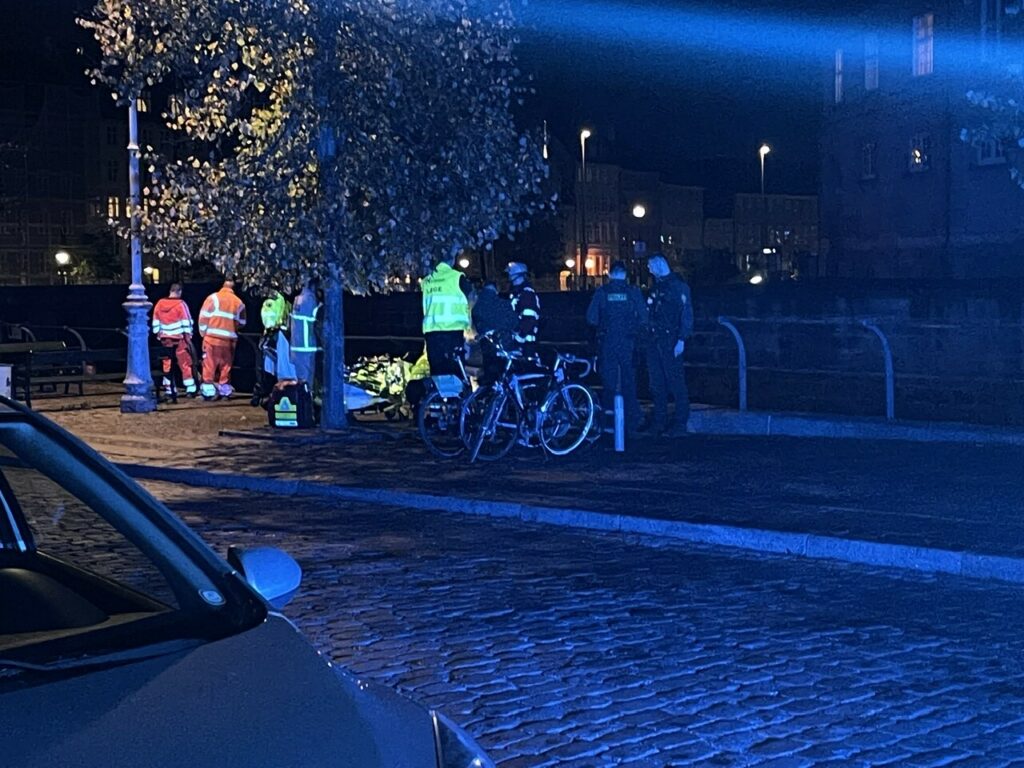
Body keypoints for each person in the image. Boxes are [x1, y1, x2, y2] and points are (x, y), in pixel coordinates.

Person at [586, 261, 647, 432]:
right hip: (629, 343)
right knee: (629, 381)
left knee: (609, 382)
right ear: (625, 275)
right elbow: (644, 317)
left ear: (610, 274)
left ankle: (608, 421)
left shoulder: (602, 292)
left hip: (608, 342)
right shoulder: (633, 292)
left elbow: (591, 318)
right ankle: (632, 420)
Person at [641, 253, 694, 437]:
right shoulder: (657, 287)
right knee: (657, 383)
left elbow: (686, 314)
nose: (649, 269)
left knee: (675, 382)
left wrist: (681, 339)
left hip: (670, 339)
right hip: (655, 339)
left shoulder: (679, 287)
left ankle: (680, 423)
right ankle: (659, 421)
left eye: (650, 266)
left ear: (658, 264)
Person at [421, 252, 472, 378]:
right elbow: (471, 298)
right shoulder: (457, 277)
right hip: (453, 332)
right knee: (456, 372)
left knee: (438, 374)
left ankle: (440, 391)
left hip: (432, 334)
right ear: (452, 260)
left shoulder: (427, 280)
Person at [198, 278, 247, 400]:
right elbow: (242, 322)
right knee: (226, 367)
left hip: (211, 339)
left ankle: (208, 393)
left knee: (209, 365)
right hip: (229, 340)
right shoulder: (239, 302)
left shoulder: (212, 298)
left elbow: (203, 317)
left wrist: (203, 333)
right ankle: (225, 392)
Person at [151, 283, 197, 397]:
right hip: (180, 339)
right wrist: (188, 336)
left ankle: (169, 390)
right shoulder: (181, 304)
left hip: (165, 340)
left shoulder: (159, 304)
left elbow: (155, 323)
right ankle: (190, 389)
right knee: (185, 364)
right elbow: (186, 322)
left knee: (167, 364)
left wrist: (159, 334)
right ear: (179, 292)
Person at [471, 280, 517, 384]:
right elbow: (514, 322)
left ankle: (490, 388)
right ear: (496, 289)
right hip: (503, 343)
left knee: (489, 370)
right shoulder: (503, 304)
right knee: (504, 372)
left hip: (486, 344)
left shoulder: (477, 306)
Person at [252, 288, 291, 407]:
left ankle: (263, 393)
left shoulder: (270, 301)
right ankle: (270, 393)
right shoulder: (284, 301)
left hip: (271, 333)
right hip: (280, 333)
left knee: (266, 365)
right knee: (277, 364)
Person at [290, 280, 321, 385]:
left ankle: (300, 394)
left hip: (295, 345)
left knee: (299, 378)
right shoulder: (310, 299)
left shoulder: (297, 299)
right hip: (306, 345)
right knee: (307, 379)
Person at [506, 262, 540, 355]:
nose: (508, 276)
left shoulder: (526, 293)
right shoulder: (517, 292)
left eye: (510, 274)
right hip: (520, 339)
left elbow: (529, 319)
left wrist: (519, 339)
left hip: (526, 343)